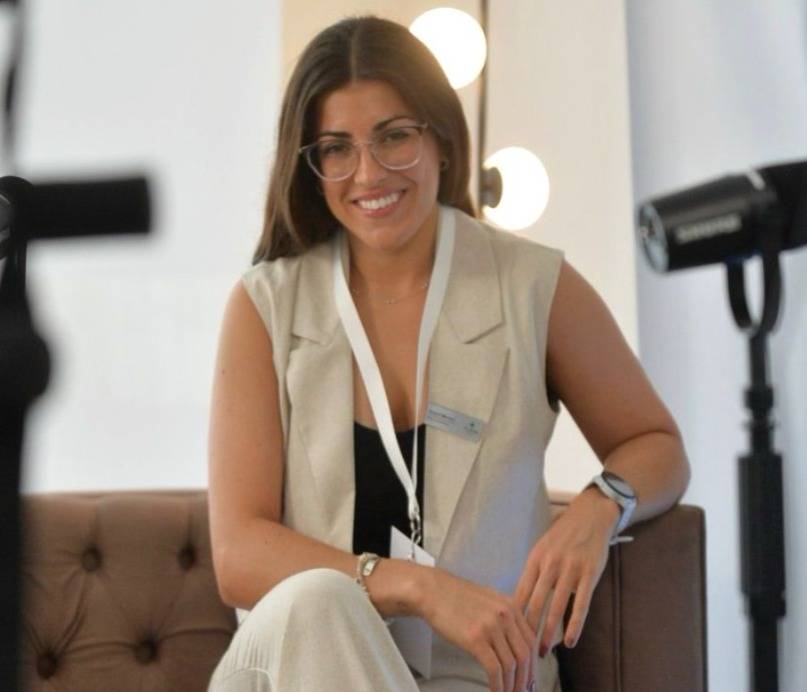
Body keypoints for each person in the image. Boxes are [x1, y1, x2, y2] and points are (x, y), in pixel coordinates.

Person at [206, 15, 689, 692]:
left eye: (394, 136)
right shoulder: (264, 305)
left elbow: (656, 444)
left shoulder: (532, 285)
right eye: (337, 148)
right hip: (293, 669)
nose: (368, 172)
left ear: (441, 139)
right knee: (318, 600)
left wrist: (597, 507)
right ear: (310, 167)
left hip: (477, 678)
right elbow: (237, 555)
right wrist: (418, 587)